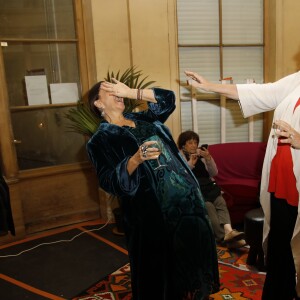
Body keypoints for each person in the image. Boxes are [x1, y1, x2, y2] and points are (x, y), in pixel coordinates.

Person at [86, 78, 220, 300]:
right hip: (151, 214)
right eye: (110, 91)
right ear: (98, 104)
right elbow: (109, 181)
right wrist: (135, 159)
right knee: (161, 272)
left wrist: (132, 92)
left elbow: (167, 99)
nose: (117, 93)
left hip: (188, 203)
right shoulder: (100, 140)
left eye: (117, 89)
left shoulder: (143, 118)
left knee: (193, 260)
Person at [184, 70, 300, 300]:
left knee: (292, 248)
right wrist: (210, 86)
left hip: (297, 186)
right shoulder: (297, 79)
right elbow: (261, 92)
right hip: (279, 179)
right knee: (279, 249)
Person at [177, 130, 246, 249]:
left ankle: (229, 230)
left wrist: (208, 158)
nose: (194, 145)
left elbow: (214, 172)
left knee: (220, 201)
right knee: (208, 206)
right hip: (195, 189)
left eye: (195, 142)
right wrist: (191, 164)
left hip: (209, 186)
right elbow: (181, 177)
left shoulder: (201, 156)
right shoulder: (179, 156)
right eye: (190, 143)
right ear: (183, 145)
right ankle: (225, 238)